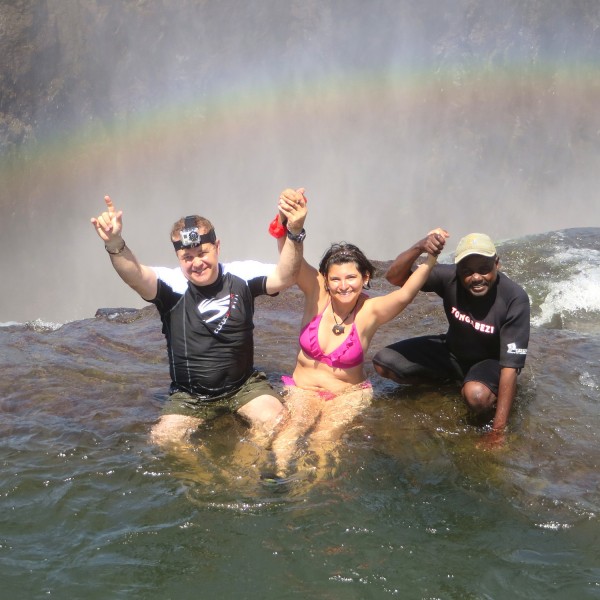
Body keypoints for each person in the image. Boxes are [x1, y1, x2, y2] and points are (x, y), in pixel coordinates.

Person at [90, 194, 307, 460]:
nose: (197, 263)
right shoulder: (171, 285)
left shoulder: (241, 276)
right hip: (190, 396)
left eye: (203, 252)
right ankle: (204, 481)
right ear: (178, 257)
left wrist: (294, 232)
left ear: (217, 246)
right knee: (164, 440)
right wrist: (114, 243)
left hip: (243, 387)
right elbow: (135, 274)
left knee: (279, 421)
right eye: (187, 256)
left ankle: (257, 466)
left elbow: (285, 277)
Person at [269, 188, 445, 475]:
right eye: (335, 278)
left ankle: (312, 492)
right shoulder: (316, 292)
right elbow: (291, 260)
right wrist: (287, 218)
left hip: (346, 396)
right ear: (325, 279)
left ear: (365, 277)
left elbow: (406, 293)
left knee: (324, 441)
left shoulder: (371, 311)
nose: (343, 285)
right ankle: (279, 482)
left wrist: (430, 256)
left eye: (351, 277)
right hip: (302, 389)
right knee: (288, 431)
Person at [372, 231, 530, 447]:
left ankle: (480, 387)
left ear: (497, 264)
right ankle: (453, 382)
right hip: (452, 352)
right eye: (468, 271)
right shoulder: (449, 278)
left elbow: (510, 367)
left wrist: (497, 431)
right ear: (458, 270)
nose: (476, 277)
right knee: (384, 363)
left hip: (490, 363)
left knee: (476, 396)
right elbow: (395, 277)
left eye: (484, 269)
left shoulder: (514, 298)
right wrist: (420, 247)